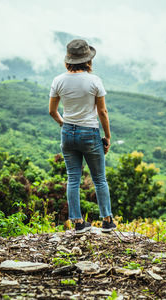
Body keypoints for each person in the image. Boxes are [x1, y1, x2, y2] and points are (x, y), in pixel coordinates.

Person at [49, 39, 116, 234]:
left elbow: (52, 111)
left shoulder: (58, 80)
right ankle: (107, 221)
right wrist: (107, 137)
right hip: (90, 133)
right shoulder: (94, 81)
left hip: (68, 132)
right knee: (99, 179)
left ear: (68, 59)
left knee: (73, 178)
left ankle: (78, 222)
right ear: (88, 60)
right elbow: (102, 112)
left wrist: (65, 125)